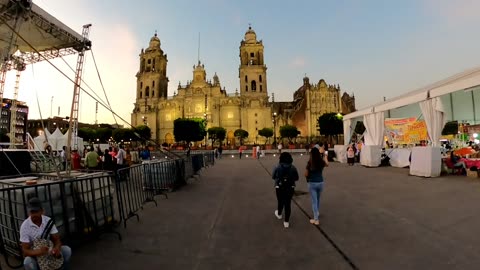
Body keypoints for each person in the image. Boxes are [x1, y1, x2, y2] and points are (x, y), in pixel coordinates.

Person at [20, 197, 71, 270]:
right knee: (27, 262)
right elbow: (25, 251)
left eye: (36, 211)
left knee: (67, 250)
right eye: (32, 212)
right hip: (36, 256)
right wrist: (39, 252)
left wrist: (56, 249)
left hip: (50, 251)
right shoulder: (25, 226)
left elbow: (57, 240)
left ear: (42, 211)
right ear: (29, 212)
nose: (34, 214)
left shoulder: (48, 221)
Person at [272, 152, 299, 228]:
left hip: (279, 186)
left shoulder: (277, 167)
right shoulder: (293, 167)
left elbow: (273, 176)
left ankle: (279, 214)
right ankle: (286, 222)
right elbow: (297, 178)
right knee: (288, 203)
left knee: (280, 201)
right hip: (290, 187)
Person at [305, 147, 329, 226]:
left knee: (314, 201)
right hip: (320, 182)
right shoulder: (321, 162)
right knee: (317, 200)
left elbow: (306, 174)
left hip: (312, 183)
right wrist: (325, 156)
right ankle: (317, 213)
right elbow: (327, 164)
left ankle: (316, 219)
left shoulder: (310, 163)